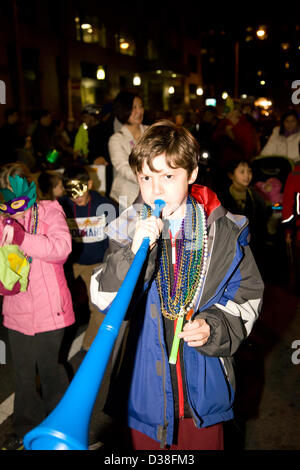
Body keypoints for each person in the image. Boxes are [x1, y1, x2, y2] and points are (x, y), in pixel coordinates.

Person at [90, 120, 264, 450]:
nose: (155, 190)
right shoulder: (127, 226)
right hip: (144, 390)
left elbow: (247, 293)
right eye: (146, 177)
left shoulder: (223, 229)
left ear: (192, 173)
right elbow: (105, 300)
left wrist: (215, 326)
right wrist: (134, 252)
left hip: (203, 388)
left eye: (168, 176)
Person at [0, 162, 75, 450]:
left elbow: (61, 249)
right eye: (7, 200)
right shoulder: (3, 217)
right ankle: (25, 429)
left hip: (49, 309)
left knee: (50, 370)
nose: (14, 209)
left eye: (18, 200)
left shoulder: (49, 211)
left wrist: (22, 237)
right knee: (22, 373)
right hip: (16, 308)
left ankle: (62, 426)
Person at [59, 165, 116, 351]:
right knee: (55, 304)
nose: (76, 197)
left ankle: (88, 347)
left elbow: (118, 238)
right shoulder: (60, 206)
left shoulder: (105, 205)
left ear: (89, 184)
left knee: (99, 308)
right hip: (70, 263)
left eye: (80, 190)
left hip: (97, 263)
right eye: (71, 193)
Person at [217, 159, 268, 272]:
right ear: (231, 175)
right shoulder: (221, 197)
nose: (247, 176)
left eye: (249, 171)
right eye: (242, 172)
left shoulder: (257, 198)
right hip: (229, 246)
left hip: (251, 245)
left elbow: (261, 223)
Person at [108, 91, 147, 210]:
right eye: (134, 107)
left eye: (140, 106)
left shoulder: (151, 132)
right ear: (123, 110)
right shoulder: (116, 139)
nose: (139, 111)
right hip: (125, 198)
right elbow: (122, 166)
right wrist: (145, 178)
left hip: (152, 194)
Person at [281, 163, 300, 290]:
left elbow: (288, 202)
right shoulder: (295, 174)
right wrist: (288, 230)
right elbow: (288, 202)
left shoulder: (295, 174)